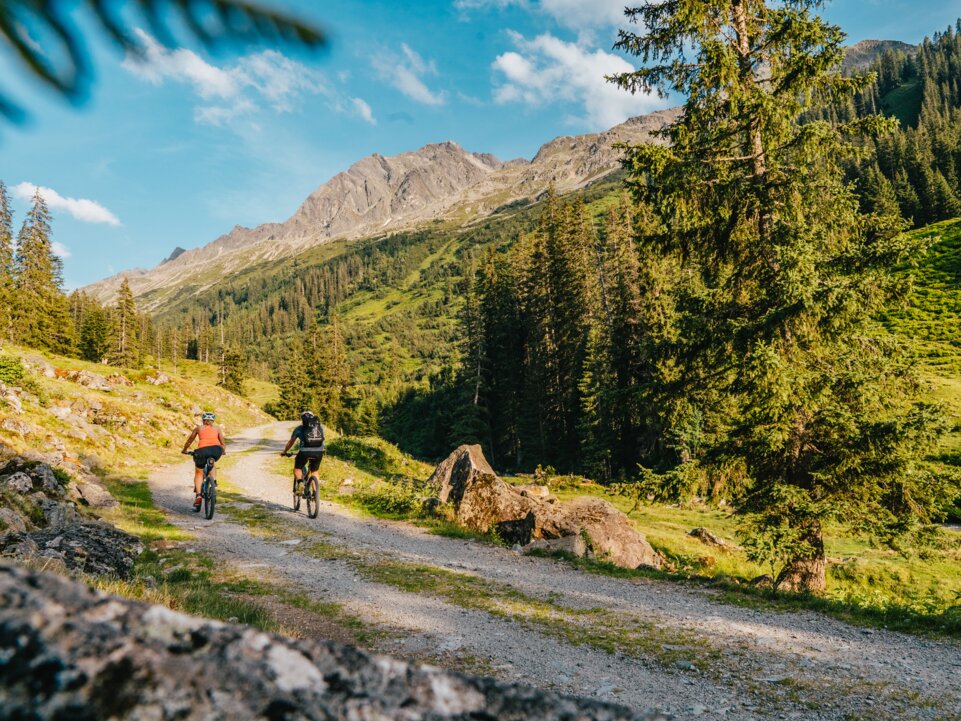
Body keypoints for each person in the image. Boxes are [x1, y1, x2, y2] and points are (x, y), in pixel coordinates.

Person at [182, 411, 227, 511]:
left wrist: (185, 450)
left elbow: (190, 440)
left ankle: (198, 495)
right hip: (216, 450)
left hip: (202, 451)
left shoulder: (199, 428)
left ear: (203, 420)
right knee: (212, 462)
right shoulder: (217, 428)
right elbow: (223, 443)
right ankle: (213, 483)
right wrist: (222, 451)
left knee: (199, 472)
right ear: (213, 421)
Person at [280, 410, 325, 495]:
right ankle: (315, 493)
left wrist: (285, 452)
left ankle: (300, 483)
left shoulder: (299, 428)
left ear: (302, 419)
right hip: (319, 451)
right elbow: (322, 440)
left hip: (304, 452)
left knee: (297, 468)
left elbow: (291, 442)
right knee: (315, 471)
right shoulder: (320, 427)